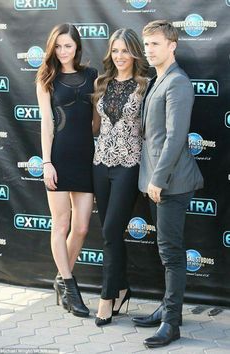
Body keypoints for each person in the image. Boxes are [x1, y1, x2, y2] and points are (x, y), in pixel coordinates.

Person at [132, 20, 204, 348]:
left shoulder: (177, 82)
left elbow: (176, 138)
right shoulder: (157, 79)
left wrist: (158, 180)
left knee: (172, 254)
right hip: (154, 181)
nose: (149, 50)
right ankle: (165, 307)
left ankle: (171, 323)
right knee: (165, 252)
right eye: (146, 45)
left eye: (155, 44)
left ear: (172, 45)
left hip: (171, 183)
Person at [36, 23, 98, 317]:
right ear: (52, 47)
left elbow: (96, 121)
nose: (62, 51)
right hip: (59, 158)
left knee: (82, 227)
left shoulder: (91, 76)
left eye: (68, 46)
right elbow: (47, 124)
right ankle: (72, 289)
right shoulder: (46, 77)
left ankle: (61, 279)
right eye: (58, 46)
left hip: (86, 157)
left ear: (77, 47)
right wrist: (47, 162)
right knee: (60, 224)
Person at [92, 28, 148, 326]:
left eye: (125, 50)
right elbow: (95, 125)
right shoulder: (102, 83)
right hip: (100, 164)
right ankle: (123, 288)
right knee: (110, 234)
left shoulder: (145, 86)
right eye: (115, 50)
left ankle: (106, 297)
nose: (120, 56)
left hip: (129, 165)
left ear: (135, 53)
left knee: (112, 231)